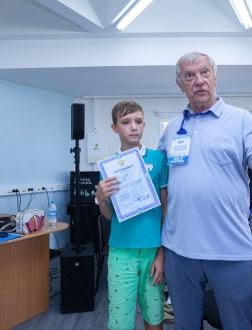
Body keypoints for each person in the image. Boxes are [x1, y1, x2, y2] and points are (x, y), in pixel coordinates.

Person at [157, 51, 252, 329]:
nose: (199, 80)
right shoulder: (173, 128)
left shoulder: (241, 120)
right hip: (179, 250)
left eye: (205, 72)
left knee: (236, 324)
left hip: (229, 249)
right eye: (189, 75)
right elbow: (161, 182)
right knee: (185, 324)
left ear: (215, 77)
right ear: (180, 84)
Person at [95, 100, 169, 330]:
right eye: (126, 122)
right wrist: (101, 198)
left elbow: (166, 209)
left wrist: (162, 253)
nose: (133, 127)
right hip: (121, 251)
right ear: (115, 128)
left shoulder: (158, 159)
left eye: (138, 121)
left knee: (154, 317)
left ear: (144, 125)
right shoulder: (109, 168)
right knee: (120, 321)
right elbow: (109, 215)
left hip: (153, 251)